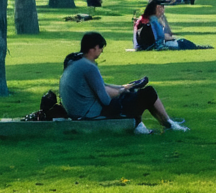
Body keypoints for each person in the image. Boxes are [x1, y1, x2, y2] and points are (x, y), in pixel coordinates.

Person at [61, 32, 189, 134]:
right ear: (93, 48)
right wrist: (121, 92)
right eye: (100, 48)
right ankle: (169, 123)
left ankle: (159, 124)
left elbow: (100, 85)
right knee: (147, 93)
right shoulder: (89, 67)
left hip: (79, 111)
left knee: (133, 95)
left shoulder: (75, 62)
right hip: (91, 113)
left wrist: (123, 87)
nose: (101, 52)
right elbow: (105, 100)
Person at [134, 1, 211, 51]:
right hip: (156, 45)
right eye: (161, 9)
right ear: (157, 8)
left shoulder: (144, 18)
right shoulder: (153, 19)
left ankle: (197, 47)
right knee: (181, 42)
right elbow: (160, 36)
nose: (162, 12)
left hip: (144, 46)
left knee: (180, 41)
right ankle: (198, 47)